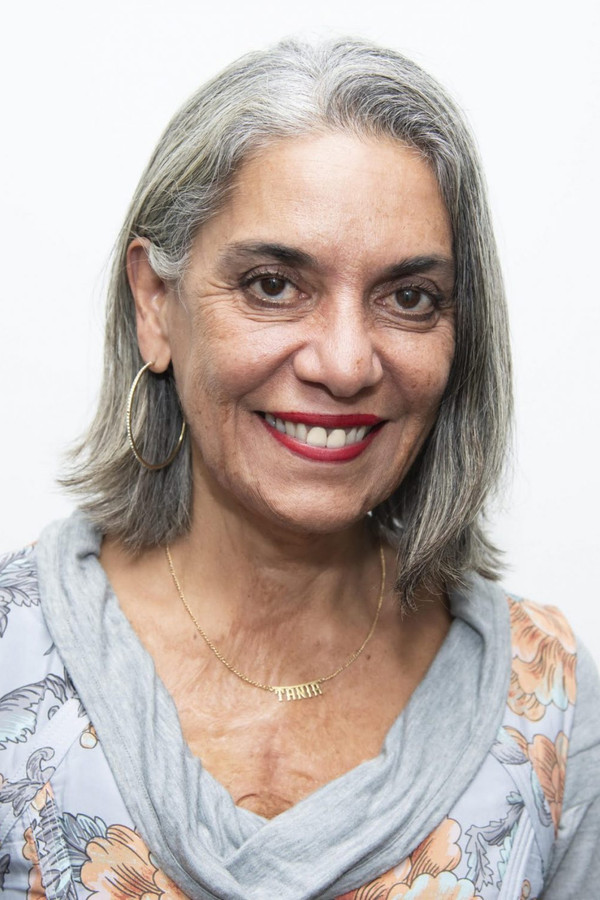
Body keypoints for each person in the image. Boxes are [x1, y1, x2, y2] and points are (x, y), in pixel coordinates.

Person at [0, 39, 598, 900]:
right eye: (274, 285)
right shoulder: (15, 654)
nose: (346, 364)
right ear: (156, 305)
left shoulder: (553, 704)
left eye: (409, 298)